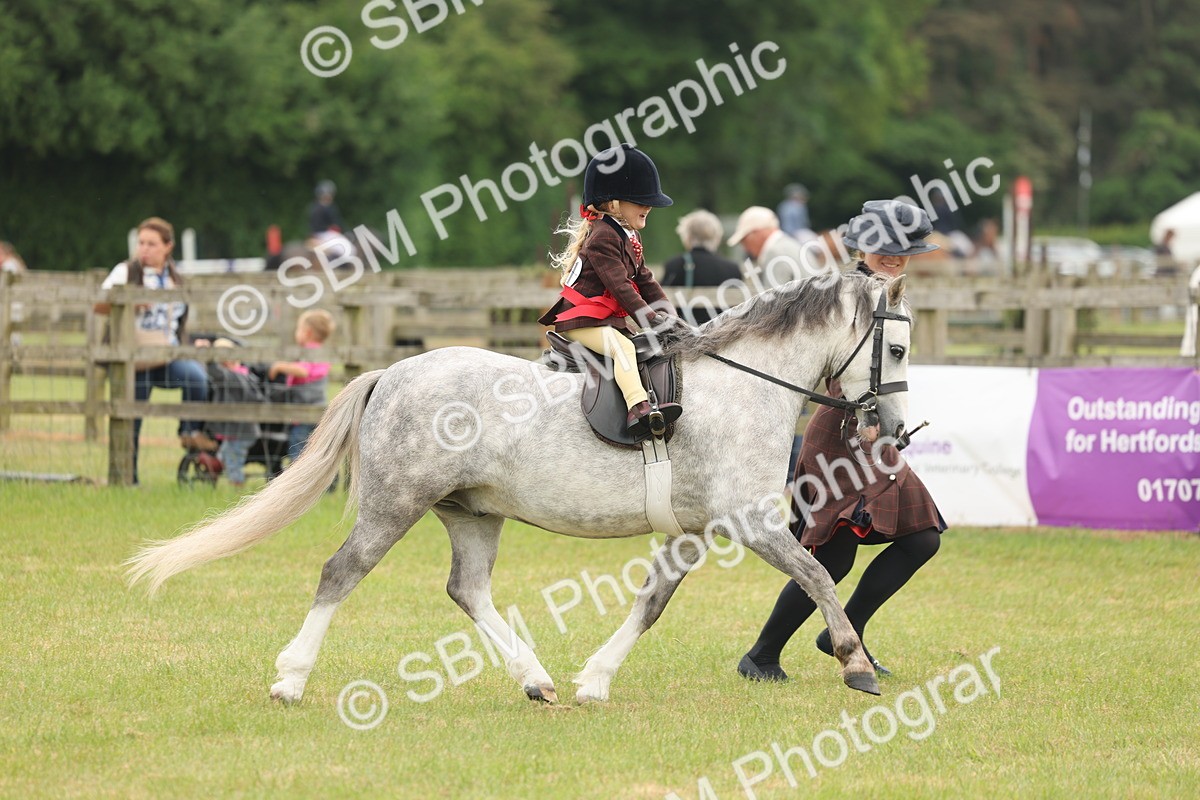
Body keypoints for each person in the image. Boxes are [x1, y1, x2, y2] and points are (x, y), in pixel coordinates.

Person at [738, 199, 947, 682]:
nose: (894, 257)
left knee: (922, 539)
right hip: (840, 432)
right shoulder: (844, 295)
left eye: (904, 250)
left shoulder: (891, 293)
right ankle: (762, 655)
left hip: (872, 432)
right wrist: (865, 415)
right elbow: (826, 363)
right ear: (863, 247)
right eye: (884, 248)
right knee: (835, 555)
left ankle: (843, 628)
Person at [538, 143, 681, 437]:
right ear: (613, 203)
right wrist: (651, 319)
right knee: (623, 348)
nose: (648, 206)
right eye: (640, 201)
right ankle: (639, 409)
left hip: (605, 320)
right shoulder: (603, 236)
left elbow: (645, 279)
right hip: (582, 320)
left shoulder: (628, 234)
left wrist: (671, 317)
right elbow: (621, 287)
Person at [94, 217, 213, 484]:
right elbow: (98, 306)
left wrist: (190, 344)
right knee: (132, 420)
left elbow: (179, 321)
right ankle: (127, 478)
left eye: (151, 243)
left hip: (166, 354)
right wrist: (131, 303)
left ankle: (190, 431)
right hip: (132, 359)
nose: (144, 249)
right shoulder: (125, 271)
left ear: (168, 246)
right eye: (141, 243)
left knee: (196, 377)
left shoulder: (176, 279)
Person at [270, 309, 335, 463]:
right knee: (319, 447)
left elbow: (303, 371)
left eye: (298, 329)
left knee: (298, 446)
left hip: (303, 410)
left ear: (307, 332)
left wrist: (280, 366)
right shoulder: (322, 352)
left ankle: (298, 474)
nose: (296, 333)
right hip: (318, 407)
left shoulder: (309, 351)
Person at [199, 338, 264, 487]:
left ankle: (237, 486)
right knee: (226, 452)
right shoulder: (244, 374)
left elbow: (216, 373)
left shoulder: (235, 377)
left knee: (233, 460)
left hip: (240, 432)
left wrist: (207, 356)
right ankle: (216, 465)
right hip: (239, 431)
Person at [661, 210, 741, 324]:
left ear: (687, 236)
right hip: (722, 336)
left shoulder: (674, 265)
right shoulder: (732, 269)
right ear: (717, 235)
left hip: (684, 336)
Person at [727, 205, 822, 292]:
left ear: (758, 233)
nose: (746, 248)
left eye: (745, 240)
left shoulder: (775, 252)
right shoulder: (791, 245)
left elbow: (773, 305)